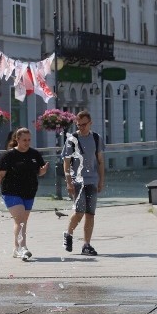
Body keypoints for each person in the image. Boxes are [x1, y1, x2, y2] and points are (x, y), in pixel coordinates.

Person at [0, 127, 49, 261]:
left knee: (22, 221)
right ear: (17, 139)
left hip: (29, 192)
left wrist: (43, 171)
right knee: (20, 220)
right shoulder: (9, 156)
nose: (27, 143)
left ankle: (16, 248)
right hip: (11, 192)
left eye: (29, 140)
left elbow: (38, 172)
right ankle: (23, 247)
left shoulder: (34, 154)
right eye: (24, 140)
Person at [62, 110, 105, 256]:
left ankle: (86, 245)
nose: (81, 127)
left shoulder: (96, 138)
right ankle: (68, 234)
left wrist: (101, 180)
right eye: (78, 125)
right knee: (80, 212)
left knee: (90, 213)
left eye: (84, 124)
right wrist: (68, 182)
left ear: (90, 123)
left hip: (92, 180)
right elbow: (66, 163)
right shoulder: (71, 139)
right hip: (77, 181)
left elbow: (100, 161)